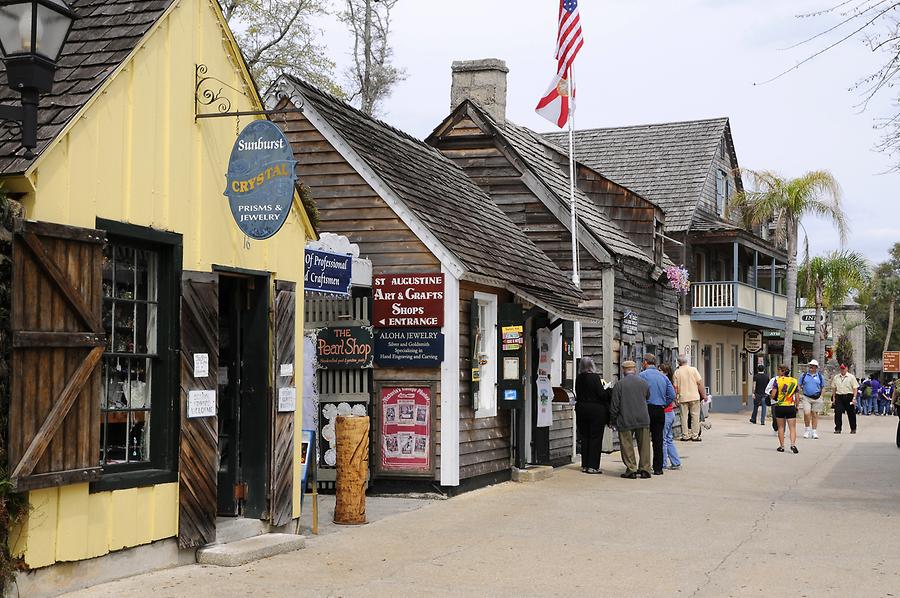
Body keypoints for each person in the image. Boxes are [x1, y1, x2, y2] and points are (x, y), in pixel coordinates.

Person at [611, 360, 652, 479]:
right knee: (644, 446)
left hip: (625, 418)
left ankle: (631, 469)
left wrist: (613, 420)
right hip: (643, 418)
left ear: (623, 370)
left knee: (627, 445)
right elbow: (648, 397)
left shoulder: (619, 384)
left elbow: (614, 405)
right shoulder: (644, 383)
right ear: (634, 370)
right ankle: (645, 469)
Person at [639, 354, 676, 476]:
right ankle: (658, 467)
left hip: (646, 408)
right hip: (660, 409)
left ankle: (645, 465)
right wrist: (664, 404)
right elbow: (671, 394)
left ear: (645, 362)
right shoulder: (663, 377)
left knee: (644, 439)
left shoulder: (642, 376)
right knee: (658, 439)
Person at [574, 357, 611, 474]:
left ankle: (585, 464)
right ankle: (593, 466)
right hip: (596, 410)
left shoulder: (578, 378)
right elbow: (601, 394)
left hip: (581, 409)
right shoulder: (595, 377)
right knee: (595, 437)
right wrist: (608, 390)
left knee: (584, 437)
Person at [673, 355, 707, 441]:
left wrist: (675, 398)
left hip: (683, 397)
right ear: (686, 361)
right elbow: (699, 383)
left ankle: (685, 435)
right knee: (695, 416)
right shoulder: (693, 370)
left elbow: (675, 387)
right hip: (694, 396)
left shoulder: (677, 372)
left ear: (678, 362)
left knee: (683, 417)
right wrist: (704, 395)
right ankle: (695, 435)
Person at [770, 365, 800, 453]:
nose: (778, 372)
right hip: (790, 406)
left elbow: (773, 395)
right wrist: (797, 406)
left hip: (780, 406)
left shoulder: (777, 381)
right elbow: (797, 396)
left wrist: (772, 396)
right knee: (792, 427)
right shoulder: (794, 381)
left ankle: (782, 446)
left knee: (781, 427)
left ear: (782, 371)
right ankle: (792, 444)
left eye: (779, 370)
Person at [659, 363, 682, 471]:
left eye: (660, 370)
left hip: (666, 412)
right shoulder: (670, 383)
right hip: (671, 413)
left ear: (666, 372)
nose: (658, 372)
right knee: (668, 438)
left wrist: (664, 404)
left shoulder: (664, 383)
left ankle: (663, 463)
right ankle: (676, 462)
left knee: (663, 439)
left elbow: (672, 396)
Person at [798, 360, 825, 439]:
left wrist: (821, 396)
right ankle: (807, 429)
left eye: (813, 366)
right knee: (806, 413)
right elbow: (799, 385)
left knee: (814, 414)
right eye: (810, 365)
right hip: (806, 397)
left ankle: (814, 431)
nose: (811, 367)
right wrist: (799, 394)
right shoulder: (804, 375)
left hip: (817, 397)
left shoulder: (820, 376)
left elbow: (823, 387)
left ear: (816, 367)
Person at [831, 364, 860, 434]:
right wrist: (834, 397)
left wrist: (854, 398)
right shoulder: (836, 377)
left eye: (843, 369)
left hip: (849, 396)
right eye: (841, 369)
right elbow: (834, 388)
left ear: (847, 369)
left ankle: (853, 428)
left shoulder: (851, 377)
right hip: (839, 396)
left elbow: (855, 388)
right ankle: (838, 428)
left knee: (851, 413)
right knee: (837, 412)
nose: (842, 370)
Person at [892, 381, 900, 449]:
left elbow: (895, 393)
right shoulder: (897, 382)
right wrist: (893, 403)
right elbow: (894, 394)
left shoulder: (897, 382)